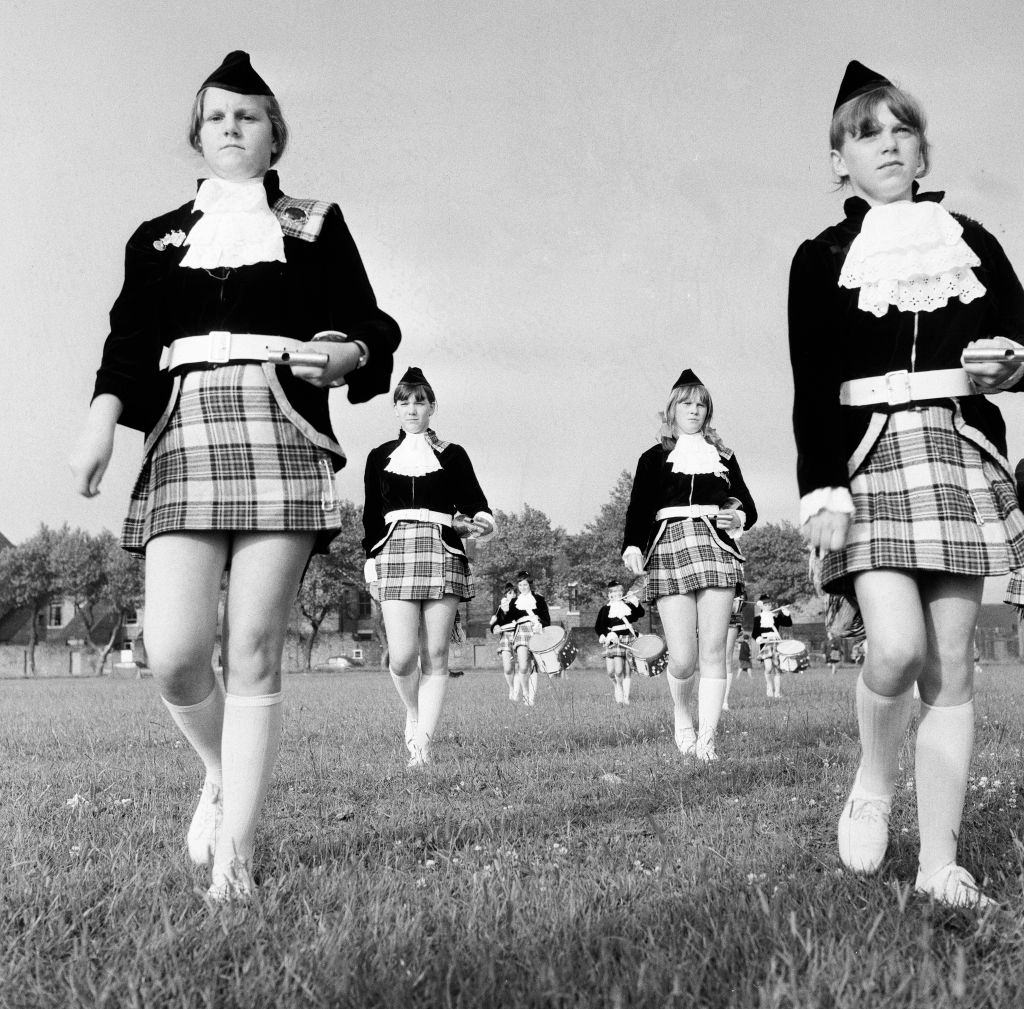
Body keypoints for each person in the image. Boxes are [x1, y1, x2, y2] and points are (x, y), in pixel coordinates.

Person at [68, 52, 400, 901]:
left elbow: (369, 323)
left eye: (247, 116)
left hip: (282, 426)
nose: (231, 127)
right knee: (174, 654)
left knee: (252, 649)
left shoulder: (315, 224)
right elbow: (128, 341)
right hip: (185, 429)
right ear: (197, 134)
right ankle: (221, 773)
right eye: (217, 116)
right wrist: (104, 417)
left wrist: (352, 353)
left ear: (273, 132)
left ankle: (238, 858)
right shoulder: (156, 237)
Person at [789, 60, 1024, 907]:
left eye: (900, 130)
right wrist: (822, 488)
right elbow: (810, 384)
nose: (885, 144)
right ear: (839, 161)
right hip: (866, 462)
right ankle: (873, 777)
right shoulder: (820, 258)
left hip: (957, 451)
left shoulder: (974, 241)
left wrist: (1012, 361)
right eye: (865, 133)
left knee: (950, 665)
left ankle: (938, 865)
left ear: (923, 152)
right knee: (894, 647)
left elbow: (1020, 340)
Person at [622, 368, 757, 761]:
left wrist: (738, 517)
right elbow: (638, 507)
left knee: (714, 650)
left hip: (715, 546)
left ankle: (708, 740)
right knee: (683, 658)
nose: (694, 410)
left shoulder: (724, 456)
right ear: (672, 409)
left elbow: (747, 505)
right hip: (668, 547)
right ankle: (683, 716)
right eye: (687, 403)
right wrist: (632, 544)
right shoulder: (654, 458)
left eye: (701, 404)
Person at [363, 367, 496, 766]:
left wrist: (483, 521)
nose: (412, 408)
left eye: (420, 401)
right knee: (402, 657)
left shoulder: (453, 454)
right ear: (396, 409)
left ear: (432, 406)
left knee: (436, 654)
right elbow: (371, 517)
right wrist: (370, 562)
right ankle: (416, 713)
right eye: (404, 401)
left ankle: (421, 746)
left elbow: (475, 503)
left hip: (443, 551)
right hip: (394, 551)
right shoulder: (378, 456)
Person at [502, 572, 551, 705]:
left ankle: (531, 699)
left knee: (533, 667)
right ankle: (525, 692)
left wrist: (538, 622)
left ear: (530, 585)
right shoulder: (514, 602)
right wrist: (505, 611)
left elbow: (547, 620)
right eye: (520, 585)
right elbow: (506, 620)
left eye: (525, 584)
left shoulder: (539, 600)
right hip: (521, 633)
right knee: (523, 666)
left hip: (536, 632)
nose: (522, 587)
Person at [594, 579, 646, 705]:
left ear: (622, 592)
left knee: (624, 670)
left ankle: (626, 697)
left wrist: (636, 603)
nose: (616, 594)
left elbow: (640, 614)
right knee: (612, 672)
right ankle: (617, 686)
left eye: (619, 591)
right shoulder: (605, 609)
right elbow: (599, 626)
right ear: (609, 594)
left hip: (628, 638)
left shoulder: (627, 605)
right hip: (613, 640)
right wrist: (604, 635)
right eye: (613, 592)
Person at [754, 595, 793, 699]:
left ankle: (777, 693)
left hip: (776, 643)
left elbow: (788, 623)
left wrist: (786, 613)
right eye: (765, 604)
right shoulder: (758, 618)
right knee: (768, 667)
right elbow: (755, 633)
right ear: (761, 606)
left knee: (777, 668)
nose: (768, 606)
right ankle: (769, 687)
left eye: (769, 604)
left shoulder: (775, 616)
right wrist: (760, 639)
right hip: (765, 644)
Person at [489, 583, 519, 700]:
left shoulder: (519, 605)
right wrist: (494, 625)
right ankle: (511, 688)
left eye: (514, 592)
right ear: (505, 595)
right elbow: (494, 624)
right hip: (505, 637)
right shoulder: (501, 607)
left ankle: (516, 691)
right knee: (507, 668)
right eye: (509, 592)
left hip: (518, 635)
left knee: (518, 666)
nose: (512, 594)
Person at [722, 581, 748, 711]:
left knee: (726, 659)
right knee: (710, 658)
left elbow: (744, 598)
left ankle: (724, 700)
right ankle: (711, 699)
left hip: (732, 619)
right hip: (710, 617)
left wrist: (738, 600)